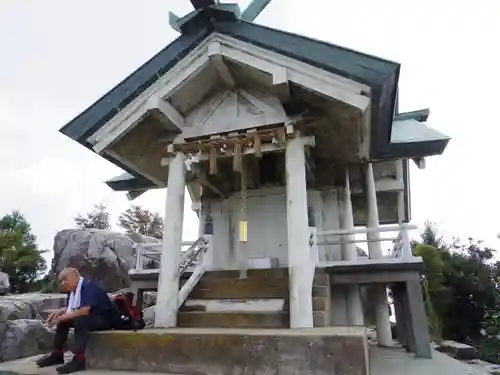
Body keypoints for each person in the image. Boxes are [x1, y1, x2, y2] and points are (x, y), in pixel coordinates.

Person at [36, 268, 115, 374]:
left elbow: (84, 310)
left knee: (79, 320)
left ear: (74, 278)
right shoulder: (73, 290)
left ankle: (79, 359)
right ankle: (57, 354)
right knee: (65, 321)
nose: (62, 283)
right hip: (91, 318)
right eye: (60, 281)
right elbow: (71, 308)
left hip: (104, 319)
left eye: (64, 280)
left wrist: (62, 317)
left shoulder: (87, 287)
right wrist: (60, 312)